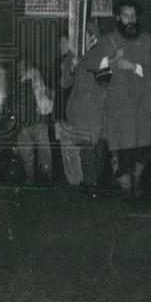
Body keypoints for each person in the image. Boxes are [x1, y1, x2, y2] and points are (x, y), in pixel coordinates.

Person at [80, 0, 151, 198]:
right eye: (126, 16)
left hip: (143, 103)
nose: (130, 20)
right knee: (123, 147)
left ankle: (138, 178)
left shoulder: (149, 40)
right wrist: (112, 60)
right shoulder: (108, 41)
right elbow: (87, 61)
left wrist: (133, 67)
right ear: (118, 18)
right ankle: (126, 185)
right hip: (119, 103)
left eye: (133, 16)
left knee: (144, 148)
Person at [57, 23, 107, 188]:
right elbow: (64, 83)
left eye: (83, 35)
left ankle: (98, 183)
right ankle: (89, 184)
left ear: (93, 38)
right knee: (86, 148)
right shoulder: (72, 56)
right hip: (80, 111)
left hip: (98, 109)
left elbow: (107, 80)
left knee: (99, 147)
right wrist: (72, 67)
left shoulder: (102, 55)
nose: (78, 39)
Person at [13, 51, 55, 186]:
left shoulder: (36, 77)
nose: (20, 70)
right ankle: (35, 179)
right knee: (30, 154)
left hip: (37, 122)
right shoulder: (19, 82)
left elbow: (48, 96)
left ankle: (43, 179)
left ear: (28, 66)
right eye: (18, 67)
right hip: (27, 123)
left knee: (42, 153)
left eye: (22, 67)